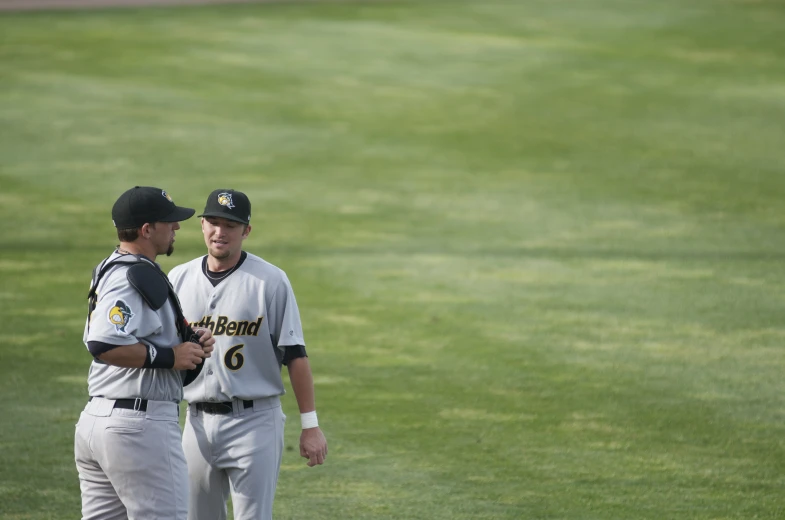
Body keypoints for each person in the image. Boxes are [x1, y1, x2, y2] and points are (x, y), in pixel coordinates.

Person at [169, 188, 328, 520]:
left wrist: (310, 425)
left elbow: (296, 355)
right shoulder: (178, 279)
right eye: (212, 222)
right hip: (196, 422)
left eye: (230, 224)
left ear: (246, 231)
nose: (220, 232)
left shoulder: (269, 281)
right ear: (201, 226)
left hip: (254, 423)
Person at [75, 186, 216, 520]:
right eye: (168, 222)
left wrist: (188, 341)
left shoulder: (114, 267)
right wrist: (171, 357)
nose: (176, 228)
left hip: (102, 421)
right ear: (146, 230)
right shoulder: (130, 275)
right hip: (137, 429)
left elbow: (133, 331)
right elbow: (103, 343)